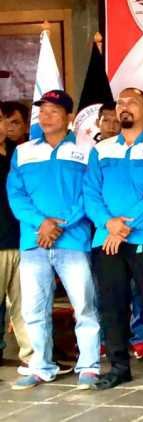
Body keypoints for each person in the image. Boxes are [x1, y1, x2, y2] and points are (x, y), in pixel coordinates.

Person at [84, 87, 143, 391]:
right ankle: (118, 367)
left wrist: (125, 228)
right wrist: (108, 224)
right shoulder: (101, 149)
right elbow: (90, 192)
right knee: (111, 306)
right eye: (120, 103)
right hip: (106, 239)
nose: (124, 107)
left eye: (132, 102)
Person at [6, 90, 101, 390]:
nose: (46, 117)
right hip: (34, 241)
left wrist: (62, 224)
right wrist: (42, 223)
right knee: (33, 309)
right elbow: (16, 195)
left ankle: (89, 366)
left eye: (53, 111)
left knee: (84, 306)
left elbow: (90, 192)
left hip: (73, 241)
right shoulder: (23, 151)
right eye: (43, 111)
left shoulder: (87, 150)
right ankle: (40, 366)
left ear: (69, 117)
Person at [0, 105, 32, 368]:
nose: (3, 125)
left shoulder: (18, 154)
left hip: (22, 239)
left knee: (27, 306)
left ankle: (34, 358)